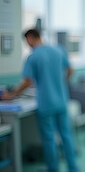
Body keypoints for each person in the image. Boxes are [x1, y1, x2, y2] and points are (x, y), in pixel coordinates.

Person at [2, 29, 79, 172]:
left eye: (27, 41)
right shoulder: (58, 50)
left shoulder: (33, 57)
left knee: (49, 138)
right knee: (66, 136)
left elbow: (26, 82)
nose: (27, 44)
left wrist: (11, 95)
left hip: (46, 103)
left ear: (31, 38)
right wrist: (60, 83)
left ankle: (53, 169)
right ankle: (73, 168)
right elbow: (70, 71)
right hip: (61, 100)